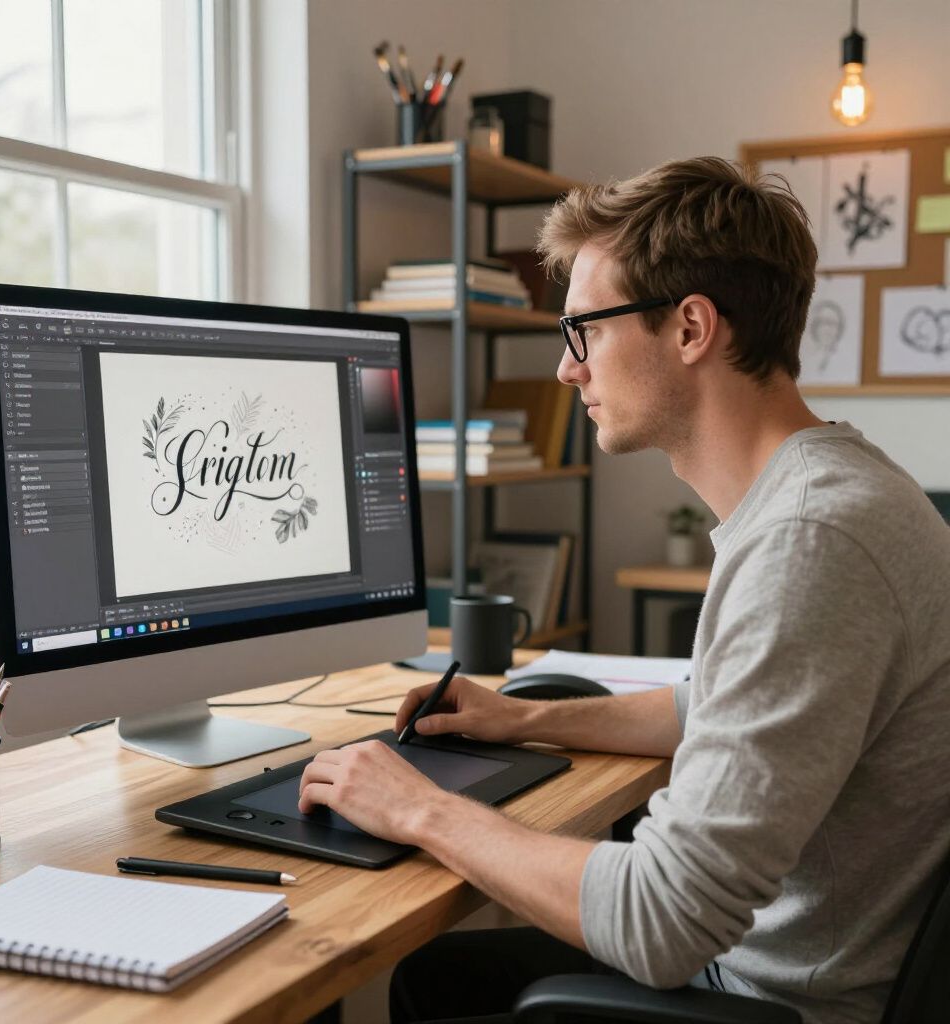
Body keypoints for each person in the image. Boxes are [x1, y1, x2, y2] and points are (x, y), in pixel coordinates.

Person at [297, 157, 950, 1024]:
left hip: (777, 999)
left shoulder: (809, 541)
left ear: (690, 329)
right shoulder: (823, 490)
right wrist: (524, 720)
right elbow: (714, 706)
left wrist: (421, 809)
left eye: (586, 331)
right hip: (774, 962)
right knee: (437, 980)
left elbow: (663, 920)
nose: (569, 370)